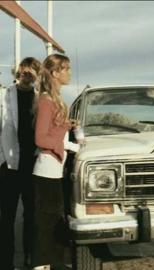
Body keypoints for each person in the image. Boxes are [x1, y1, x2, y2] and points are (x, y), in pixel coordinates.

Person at [31, 54, 80, 270]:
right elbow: (41, 139)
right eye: (66, 69)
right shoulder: (45, 100)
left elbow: (53, 132)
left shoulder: (54, 99)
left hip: (54, 170)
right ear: (54, 73)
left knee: (54, 221)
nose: (69, 73)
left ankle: (53, 264)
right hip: (46, 170)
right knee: (46, 225)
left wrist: (66, 126)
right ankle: (42, 265)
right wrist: (68, 144)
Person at [0, 57, 41, 269]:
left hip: (32, 163)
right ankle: (6, 261)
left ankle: (29, 258)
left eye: (32, 72)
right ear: (18, 71)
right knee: (6, 216)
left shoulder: (39, 98)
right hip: (8, 165)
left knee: (31, 214)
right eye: (25, 71)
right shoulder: (5, 95)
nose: (27, 74)